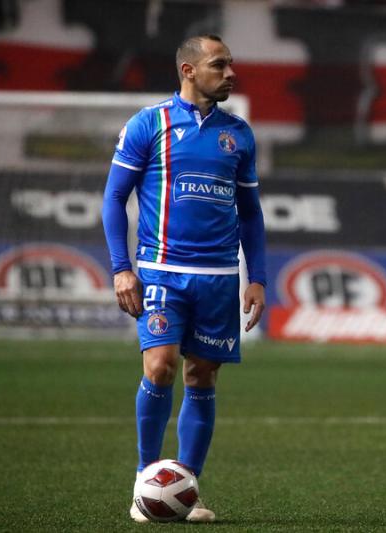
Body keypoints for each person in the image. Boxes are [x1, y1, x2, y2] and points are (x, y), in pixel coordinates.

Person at [101, 34, 266, 523]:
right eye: (220, 64)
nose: (231, 73)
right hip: (161, 273)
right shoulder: (147, 124)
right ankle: (143, 483)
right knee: (160, 368)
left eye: (232, 64)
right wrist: (120, 268)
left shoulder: (239, 134)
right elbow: (113, 199)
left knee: (202, 375)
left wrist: (256, 277)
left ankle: (184, 490)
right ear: (189, 70)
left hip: (218, 277)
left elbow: (251, 215)